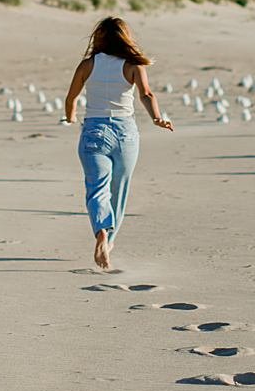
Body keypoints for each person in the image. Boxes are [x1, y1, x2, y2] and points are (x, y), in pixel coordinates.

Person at [63, 15, 173, 270]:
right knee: (118, 191)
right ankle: (109, 242)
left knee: (97, 188)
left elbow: (72, 97)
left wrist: (70, 117)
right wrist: (157, 118)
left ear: (98, 38)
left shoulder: (88, 65)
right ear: (125, 38)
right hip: (125, 133)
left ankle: (101, 232)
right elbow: (147, 94)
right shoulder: (133, 65)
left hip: (94, 131)